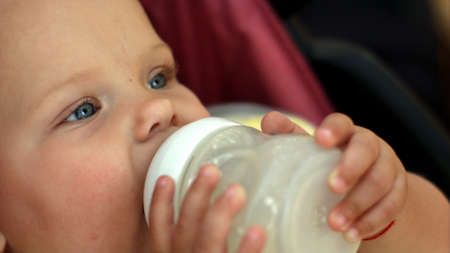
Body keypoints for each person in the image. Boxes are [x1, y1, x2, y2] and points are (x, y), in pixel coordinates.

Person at [0, 0, 448, 252]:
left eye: (159, 77)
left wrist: (377, 214)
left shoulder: (258, 195)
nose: (158, 108)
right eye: (83, 110)